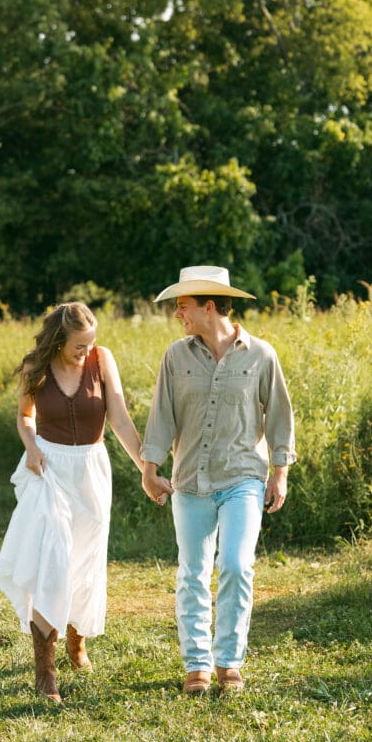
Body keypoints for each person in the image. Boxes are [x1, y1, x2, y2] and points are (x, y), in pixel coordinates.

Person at [141, 266, 296, 695]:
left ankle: (229, 661)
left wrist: (279, 472)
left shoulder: (261, 354)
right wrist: (149, 469)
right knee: (192, 572)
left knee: (234, 564)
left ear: (209, 307)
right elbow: (162, 415)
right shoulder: (176, 356)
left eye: (183, 306)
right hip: (189, 480)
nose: (178, 315)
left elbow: (280, 416)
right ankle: (197, 666)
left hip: (243, 476)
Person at [0, 301, 146, 704]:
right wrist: (30, 447)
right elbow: (25, 416)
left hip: (92, 470)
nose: (86, 351)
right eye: (79, 345)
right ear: (59, 340)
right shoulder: (35, 367)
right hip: (50, 468)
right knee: (53, 560)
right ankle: (46, 673)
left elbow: (120, 419)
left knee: (85, 559)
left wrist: (147, 466)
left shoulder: (103, 360)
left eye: (90, 343)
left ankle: (77, 641)